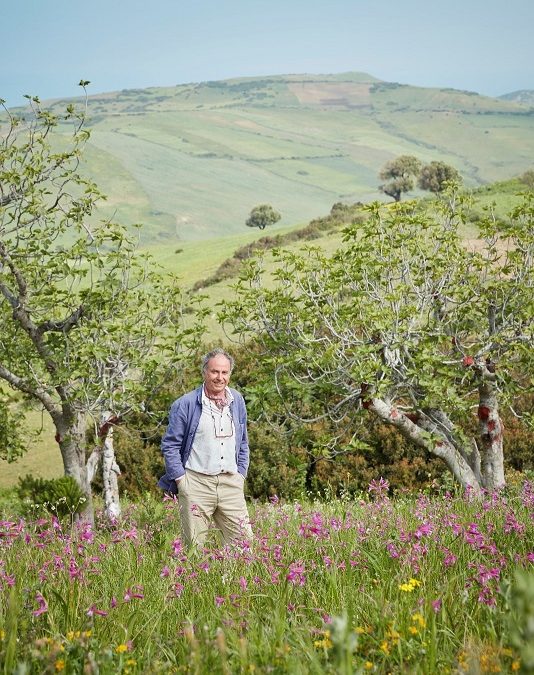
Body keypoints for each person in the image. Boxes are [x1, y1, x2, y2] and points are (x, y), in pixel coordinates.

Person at [158, 348, 253, 548]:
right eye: (214, 372)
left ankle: (232, 580)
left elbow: (243, 441)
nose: (220, 377)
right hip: (196, 483)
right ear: (204, 372)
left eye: (224, 372)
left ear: (230, 374)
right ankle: (193, 580)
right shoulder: (185, 404)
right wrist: (182, 482)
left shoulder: (237, 401)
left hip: (231, 484)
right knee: (194, 548)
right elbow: (170, 445)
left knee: (244, 546)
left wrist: (241, 474)